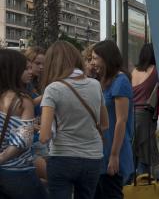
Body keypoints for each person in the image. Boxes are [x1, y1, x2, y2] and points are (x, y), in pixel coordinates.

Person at [39, 41, 109, 199]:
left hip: (62, 157)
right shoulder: (95, 85)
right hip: (93, 158)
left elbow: (44, 137)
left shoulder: (53, 89)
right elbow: (105, 124)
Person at [0, 49, 47, 198]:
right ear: (13, 71)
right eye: (25, 68)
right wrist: (2, 158)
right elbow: (23, 140)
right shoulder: (22, 100)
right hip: (18, 171)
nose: (30, 72)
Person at [92, 40, 134, 199]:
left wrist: (114, 155)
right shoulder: (101, 81)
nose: (92, 62)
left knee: (111, 192)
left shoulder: (120, 81)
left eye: (95, 58)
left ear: (106, 58)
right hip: (101, 150)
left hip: (113, 149)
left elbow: (121, 120)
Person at [130, 43, 159, 175]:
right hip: (145, 116)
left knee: (133, 153)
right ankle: (143, 189)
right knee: (144, 155)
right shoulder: (156, 70)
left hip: (131, 115)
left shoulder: (134, 71)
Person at [23, 46, 48, 180]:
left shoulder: (37, 83)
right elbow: (24, 106)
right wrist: (48, 95)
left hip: (39, 139)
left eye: (44, 64)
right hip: (29, 142)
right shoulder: (23, 84)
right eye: (37, 63)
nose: (41, 67)